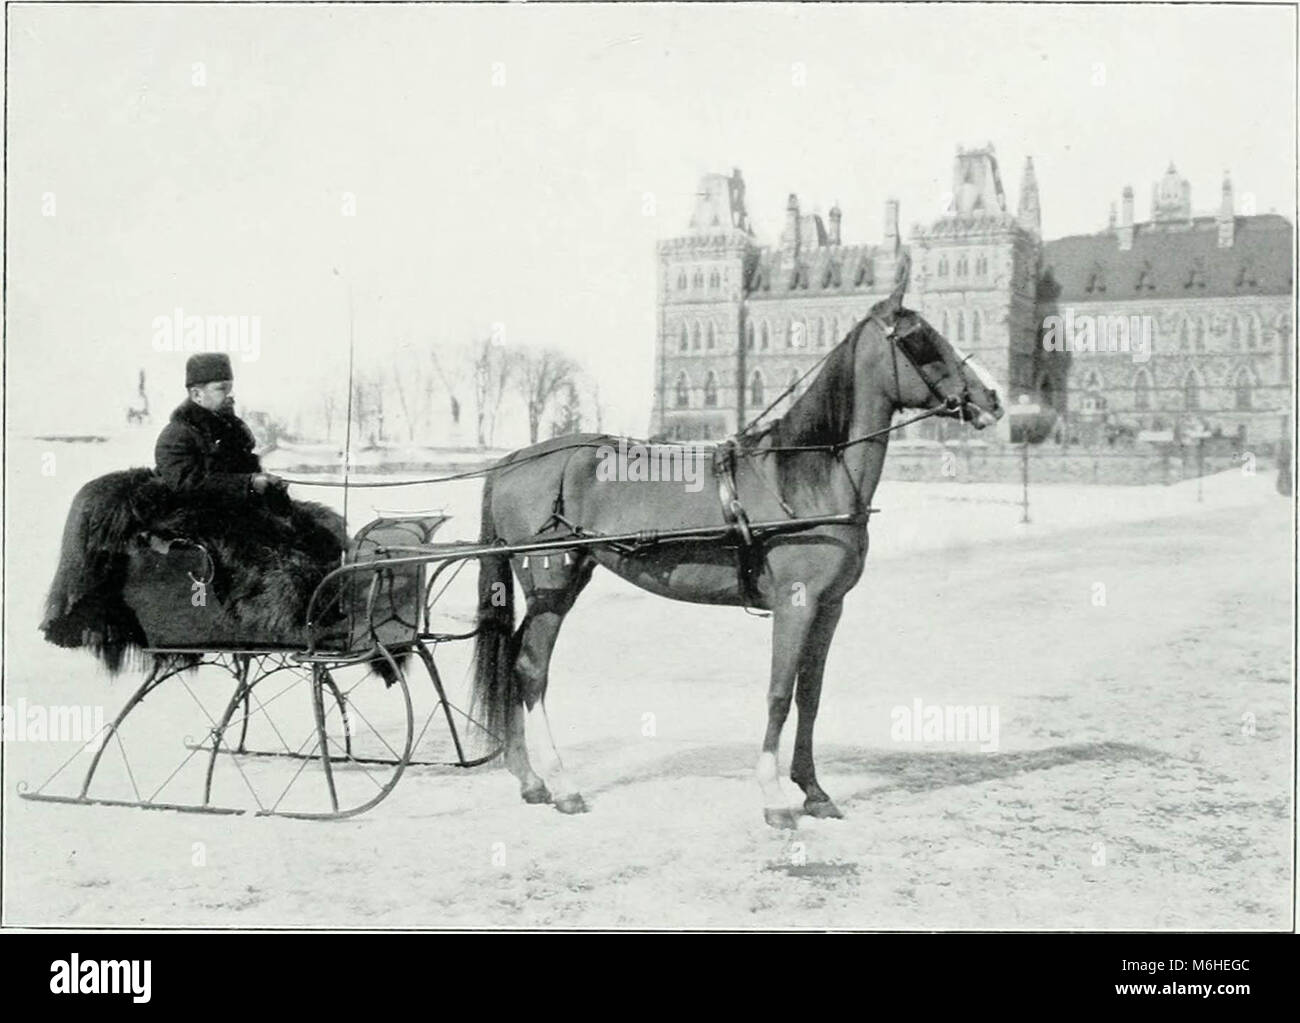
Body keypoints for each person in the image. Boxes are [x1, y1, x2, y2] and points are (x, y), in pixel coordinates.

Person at [155, 352, 286, 505]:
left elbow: (245, 469)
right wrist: (248, 483)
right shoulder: (176, 435)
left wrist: (266, 484)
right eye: (222, 389)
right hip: (194, 516)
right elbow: (186, 484)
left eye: (231, 388)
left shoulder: (231, 429)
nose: (231, 395)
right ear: (197, 394)